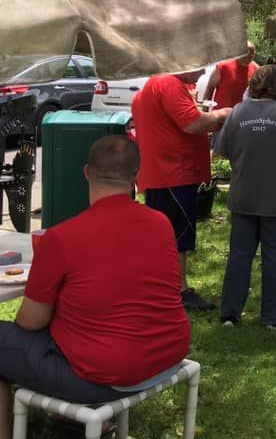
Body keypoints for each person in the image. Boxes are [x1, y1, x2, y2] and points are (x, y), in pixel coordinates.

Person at [0, 136, 189, 439]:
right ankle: (74, 421)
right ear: (136, 178)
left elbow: (29, 321)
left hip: (106, 376)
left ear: (86, 172)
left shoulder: (61, 238)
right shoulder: (161, 223)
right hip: (167, 356)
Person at [214, 65, 276, 328]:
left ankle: (229, 314)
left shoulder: (237, 112)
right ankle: (272, 316)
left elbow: (221, 149)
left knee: (239, 254)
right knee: (275, 256)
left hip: (244, 194)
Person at [132, 69, 232, 310]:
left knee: (166, 233)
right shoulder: (169, 85)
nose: (201, 74)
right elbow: (193, 123)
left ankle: (161, 287)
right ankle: (179, 291)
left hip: (162, 173)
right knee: (177, 236)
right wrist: (222, 114)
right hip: (172, 174)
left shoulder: (158, 83)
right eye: (198, 68)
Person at [202, 41, 259, 109]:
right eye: (245, 55)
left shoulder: (256, 69)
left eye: (251, 56)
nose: (248, 59)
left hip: (243, 116)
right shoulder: (223, 66)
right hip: (221, 116)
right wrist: (205, 110)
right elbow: (210, 88)